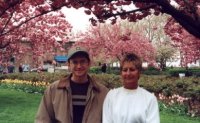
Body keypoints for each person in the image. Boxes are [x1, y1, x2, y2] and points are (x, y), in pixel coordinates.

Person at [35, 46, 109, 123]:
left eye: (82, 61)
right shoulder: (53, 90)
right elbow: (43, 119)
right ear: (69, 65)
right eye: (75, 62)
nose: (79, 66)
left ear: (89, 63)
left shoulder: (102, 92)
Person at [103, 53, 160, 123]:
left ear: (139, 72)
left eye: (132, 69)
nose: (128, 73)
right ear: (121, 73)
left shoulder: (149, 99)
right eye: (125, 70)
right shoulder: (111, 96)